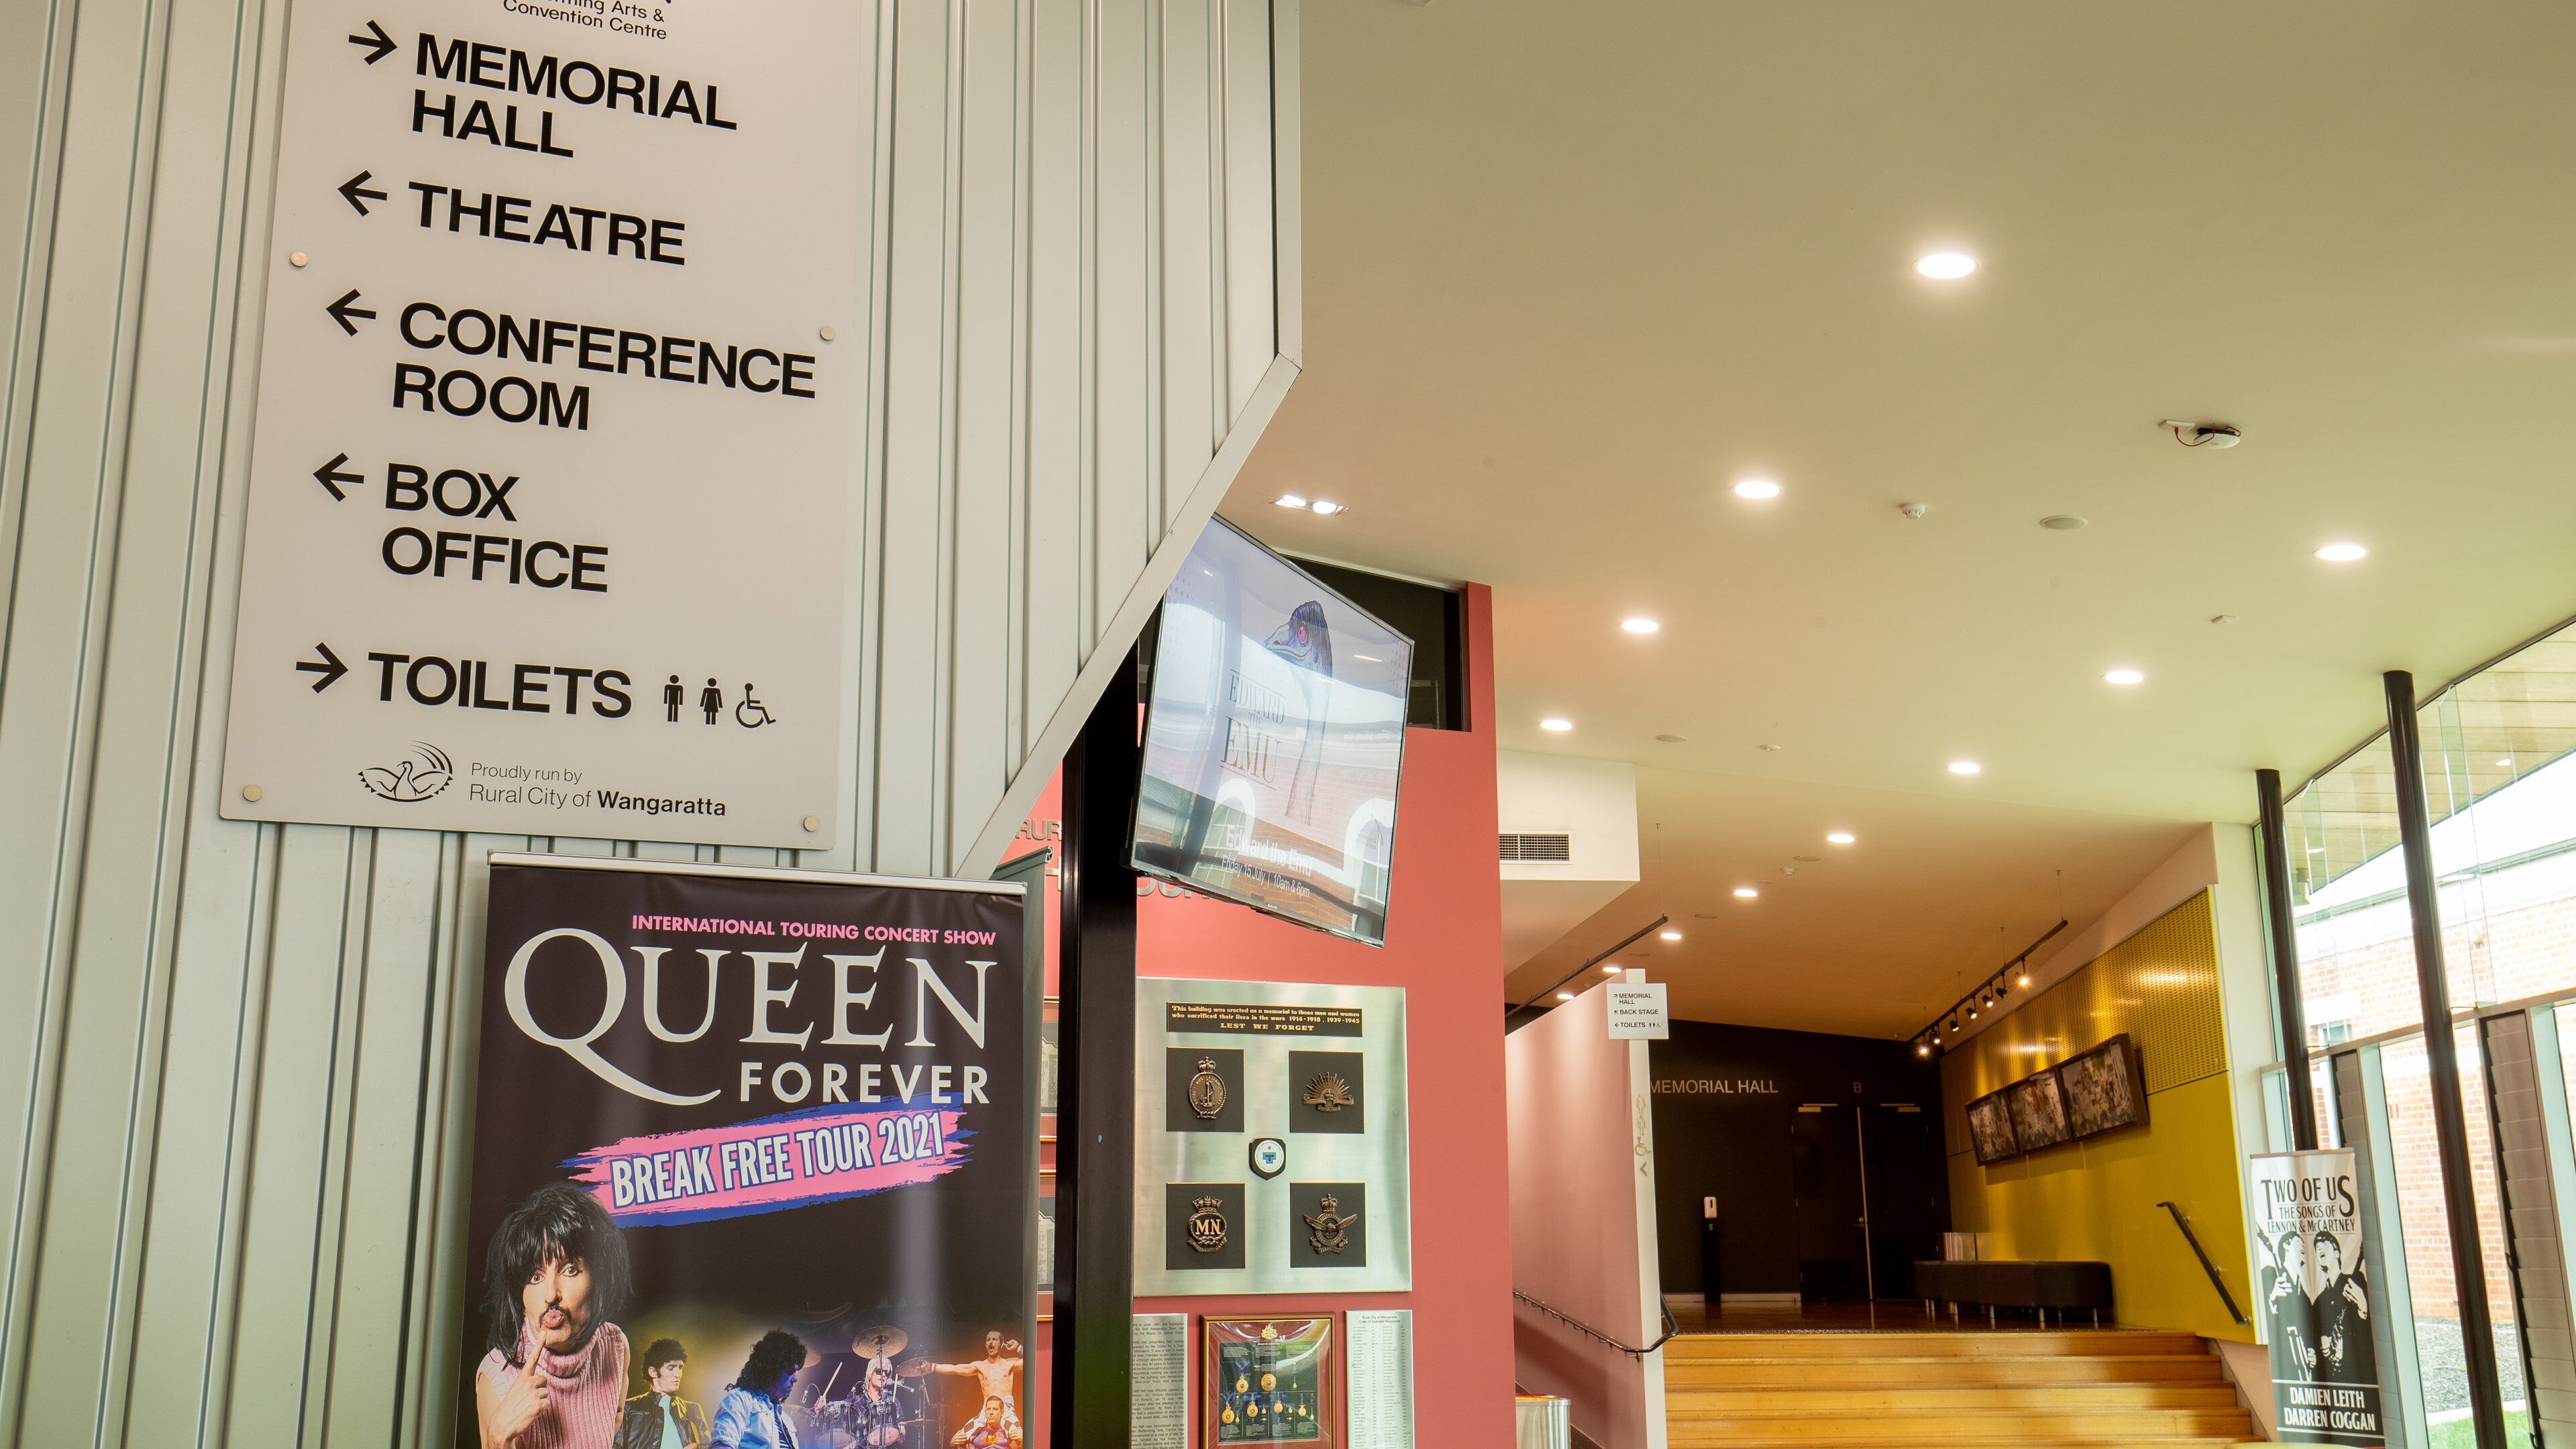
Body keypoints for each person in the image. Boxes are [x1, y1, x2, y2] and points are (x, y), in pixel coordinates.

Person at [474, 1183, 634, 1449]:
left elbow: (615, 1419)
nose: (551, 1295)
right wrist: (498, 1437)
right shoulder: (497, 1376)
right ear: (522, 1300)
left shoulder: (615, 1346)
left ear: (598, 1281)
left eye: (569, 1270)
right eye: (535, 1277)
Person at [710, 1332, 809, 1449]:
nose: (795, 1379)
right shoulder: (740, 1399)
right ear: (771, 1369)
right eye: (789, 1371)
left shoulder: (786, 1420)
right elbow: (722, 1446)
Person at [617, 1339, 710, 1449]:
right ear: (653, 1372)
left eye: (680, 1368)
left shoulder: (693, 1409)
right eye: (671, 1368)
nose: (678, 1374)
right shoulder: (629, 1408)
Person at [930, 1332, 1022, 1442]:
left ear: (1002, 1344)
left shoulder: (1010, 1363)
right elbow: (954, 1369)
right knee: (958, 1440)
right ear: (985, 1345)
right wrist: (931, 1367)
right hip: (987, 1411)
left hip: (1006, 1410)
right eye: (988, 1340)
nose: (991, 1342)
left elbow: (1035, 1360)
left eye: (995, 1340)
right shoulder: (980, 1366)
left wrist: (1018, 1347)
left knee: (1020, 1438)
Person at [849, 1357, 908, 1449]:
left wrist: (893, 1430)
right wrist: (819, 1411)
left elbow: (901, 1439)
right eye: (879, 1371)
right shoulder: (856, 1402)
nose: (883, 1375)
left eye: (886, 1373)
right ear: (870, 1374)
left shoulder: (893, 1403)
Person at [951, 1397, 1016, 1449]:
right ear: (985, 1412)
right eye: (988, 1409)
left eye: (995, 1409)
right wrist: (952, 1445)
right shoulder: (974, 1432)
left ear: (1002, 1413)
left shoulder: (1009, 1432)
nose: (991, 1412)